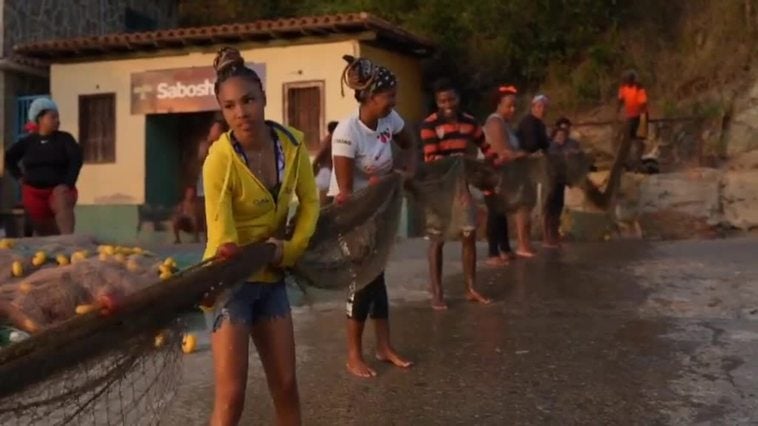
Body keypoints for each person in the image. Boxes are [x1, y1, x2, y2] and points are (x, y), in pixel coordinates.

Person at [201, 47, 319, 426]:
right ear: (222, 110)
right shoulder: (220, 159)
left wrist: (289, 249)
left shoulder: (292, 145)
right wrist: (242, 257)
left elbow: (311, 201)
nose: (241, 112)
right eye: (230, 106)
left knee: (286, 384)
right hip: (229, 282)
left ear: (264, 98)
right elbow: (223, 234)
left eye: (248, 100)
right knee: (232, 396)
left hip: (272, 279)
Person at [329, 54, 415, 378]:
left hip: (378, 204)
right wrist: (377, 192)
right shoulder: (346, 132)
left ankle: (384, 346)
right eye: (389, 96)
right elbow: (347, 192)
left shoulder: (390, 121)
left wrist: (407, 171)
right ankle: (354, 354)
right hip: (348, 210)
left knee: (377, 276)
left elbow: (410, 144)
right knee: (363, 279)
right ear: (370, 96)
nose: (394, 102)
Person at [420, 79, 494, 310]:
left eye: (451, 99)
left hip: (462, 186)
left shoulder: (470, 122)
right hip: (438, 187)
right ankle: (437, 292)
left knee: (469, 233)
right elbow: (431, 158)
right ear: (437, 102)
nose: (447, 104)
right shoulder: (429, 125)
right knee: (436, 237)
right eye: (442, 101)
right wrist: (458, 162)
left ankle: (471, 288)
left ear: (458, 99)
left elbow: (486, 148)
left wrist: (495, 164)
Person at [5, 98, 82, 236]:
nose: (57, 120)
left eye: (58, 117)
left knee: (62, 199)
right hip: (34, 192)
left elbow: (76, 160)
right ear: (39, 119)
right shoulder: (28, 142)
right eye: (53, 117)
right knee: (45, 231)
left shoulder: (65, 139)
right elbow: (9, 158)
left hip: (58, 190)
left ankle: (68, 241)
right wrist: (18, 176)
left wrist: (68, 183)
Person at [482, 85, 522, 267]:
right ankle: (493, 252)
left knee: (501, 211)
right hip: (491, 173)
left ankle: (504, 248)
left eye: (514, 106)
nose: (512, 110)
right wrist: (521, 155)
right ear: (498, 105)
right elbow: (501, 152)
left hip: (503, 174)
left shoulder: (505, 124)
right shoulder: (495, 122)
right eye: (509, 106)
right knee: (494, 211)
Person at [173, 116, 228, 244]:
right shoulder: (206, 145)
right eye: (212, 129)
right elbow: (199, 161)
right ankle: (209, 239)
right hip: (203, 186)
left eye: (216, 129)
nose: (213, 132)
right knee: (203, 213)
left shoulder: (226, 145)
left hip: (220, 185)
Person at [513, 94, 551, 257]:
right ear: (533, 107)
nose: (542, 110)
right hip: (523, 167)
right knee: (523, 206)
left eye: (544, 107)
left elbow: (545, 145)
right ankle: (522, 243)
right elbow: (532, 145)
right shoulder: (528, 122)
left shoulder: (540, 124)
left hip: (532, 167)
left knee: (528, 205)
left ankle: (526, 242)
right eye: (539, 106)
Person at [543, 117, 582, 248]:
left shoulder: (572, 143)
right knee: (549, 208)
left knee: (558, 207)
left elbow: (578, 155)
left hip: (562, 179)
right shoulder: (551, 144)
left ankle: (554, 234)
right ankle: (547, 236)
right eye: (560, 130)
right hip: (551, 179)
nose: (563, 133)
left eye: (565, 130)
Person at [617, 70, 649, 170]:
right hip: (629, 116)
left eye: (630, 80)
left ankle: (636, 161)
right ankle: (628, 160)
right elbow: (620, 99)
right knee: (627, 136)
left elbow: (642, 103)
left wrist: (640, 114)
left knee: (637, 138)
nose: (628, 82)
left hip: (639, 115)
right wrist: (618, 110)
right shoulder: (624, 87)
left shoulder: (638, 88)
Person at [311, 121, 339, 205]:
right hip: (326, 173)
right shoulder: (328, 141)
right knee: (325, 202)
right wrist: (313, 170)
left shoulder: (335, 140)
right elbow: (318, 157)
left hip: (332, 173)